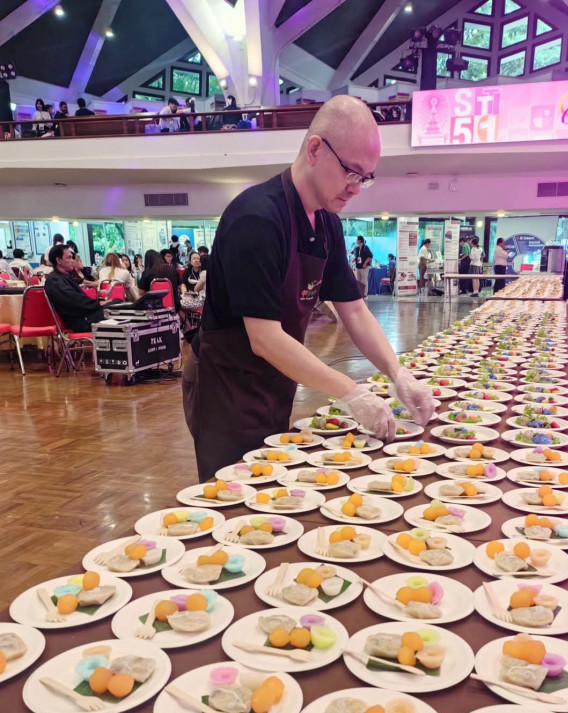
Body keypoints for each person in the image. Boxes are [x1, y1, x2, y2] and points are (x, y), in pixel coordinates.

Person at [182, 95, 433, 481]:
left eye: (365, 177)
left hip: (276, 378)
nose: (356, 188)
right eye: (351, 172)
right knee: (234, 492)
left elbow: (354, 309)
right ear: (315, 149)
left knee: (271, 482)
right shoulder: (257, 219)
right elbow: (264, 338)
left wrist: (397, 373)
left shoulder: (327, 222)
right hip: (227, 383)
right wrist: (351, 392)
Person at [44, 245, 117, 332]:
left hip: (85, 316)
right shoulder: (54, 281)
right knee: (118, 306)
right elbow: (75, 302)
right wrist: (99, 303)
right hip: (81, 321)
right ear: (59, 260)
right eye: (69, 258)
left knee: (117, 303)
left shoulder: (64, 277)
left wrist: (100, 302)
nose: (72, 261)